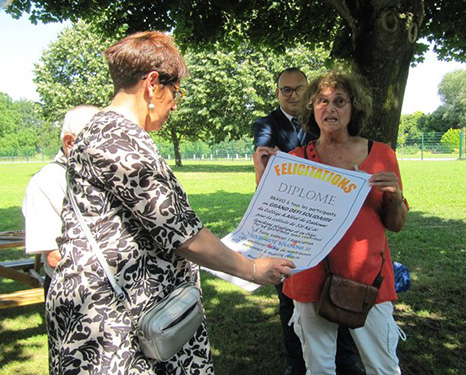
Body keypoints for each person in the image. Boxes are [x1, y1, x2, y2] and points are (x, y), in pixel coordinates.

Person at [45, 31, 295, 375]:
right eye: (174, 92)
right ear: (151, 84)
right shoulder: (120, 141)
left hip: (121, 311)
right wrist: (252, 269)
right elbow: (183, 234)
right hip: (116, 325)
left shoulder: (103, 131)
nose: (175, 104)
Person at [256, 67, 409, 375]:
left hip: (368, 278)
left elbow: (396, 224)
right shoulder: (297, 159)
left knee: (383, 367)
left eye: (340, 101)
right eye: (322, 101)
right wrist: (265, 173)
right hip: (310, 279)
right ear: (312, 109)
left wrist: (393, 195)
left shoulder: (381, 154)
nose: (331, 108)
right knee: (319, 368)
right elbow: (275, 217)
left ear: (354, 108)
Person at [252, 68, 365, 375]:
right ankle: (295, 361)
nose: (292, 95)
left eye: (298, 88)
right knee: (290, 296)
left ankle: (345, 358)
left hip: (326, 222)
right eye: (285, 90)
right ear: (277, 94)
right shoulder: (266, 125)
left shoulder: (322, 120)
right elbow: (266, 159)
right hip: (289, 224)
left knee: (336, 287)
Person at [22, 105, 100, 297]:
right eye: (99, 141)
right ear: (70, 142)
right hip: (76, 296)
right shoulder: (45, 182)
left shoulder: (101, 175)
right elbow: (55, 257)